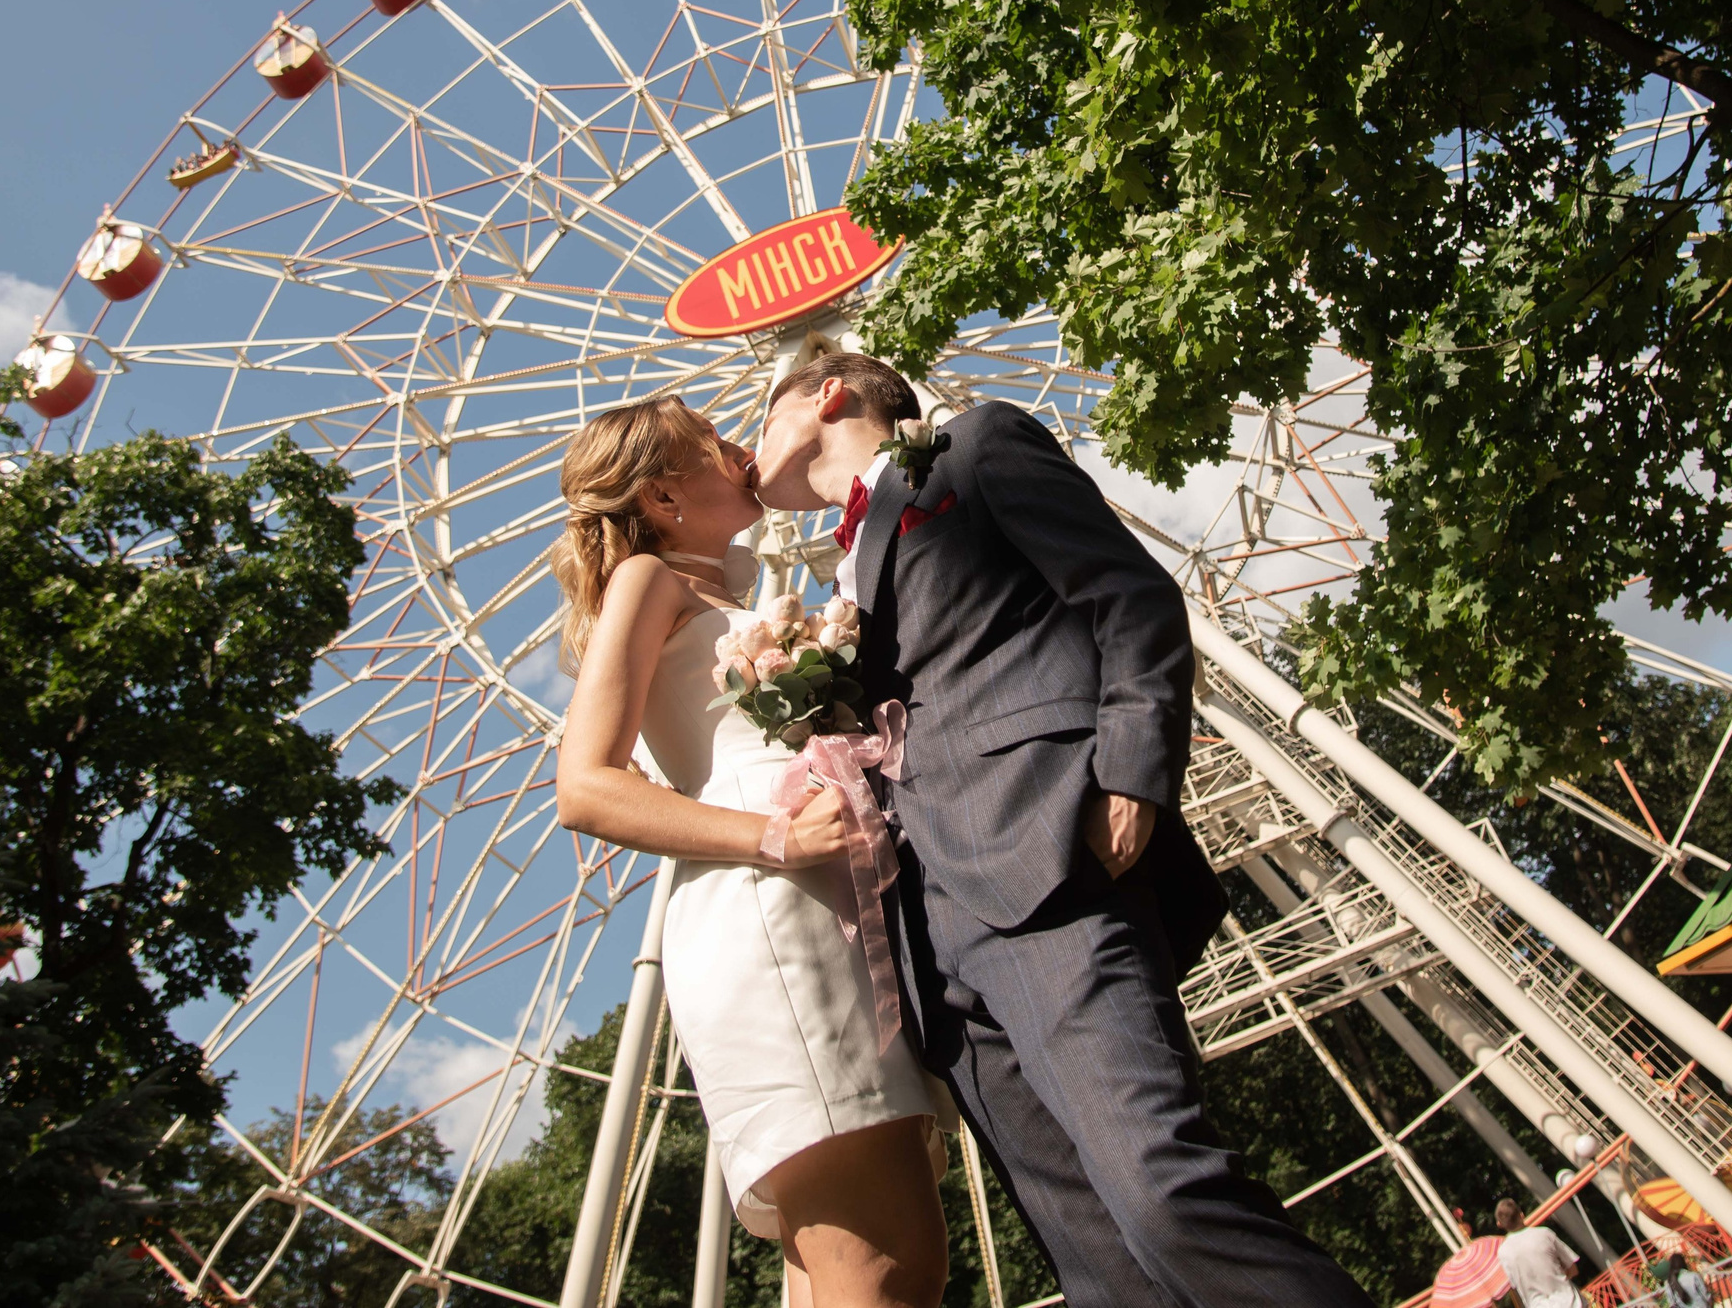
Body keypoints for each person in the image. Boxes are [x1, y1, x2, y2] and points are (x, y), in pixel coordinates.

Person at [756, 352, 1372, 1308]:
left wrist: (1131, 773)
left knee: (1165, 1191)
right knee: (1102, 1270)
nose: (750, 450)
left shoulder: (970, 449)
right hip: (931, 946)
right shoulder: (841, 568)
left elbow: (1132, 598)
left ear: (828, 393)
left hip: (1041, 862)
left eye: (762, 416)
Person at [551, 397, 948, 1308]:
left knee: (854, 1268)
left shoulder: (729, 596)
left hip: (819, 905)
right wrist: (773, 836)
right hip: (773, 912)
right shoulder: (649, 583)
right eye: (712, 443)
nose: (739, 451)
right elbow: (586, 785)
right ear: (661, 493)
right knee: (888, 1269)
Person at [1491, 1200, 1583, 1308]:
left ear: (1499, 1224)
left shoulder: (1503, 1253)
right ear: (1521, 1214)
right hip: (1571, 1302)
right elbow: (1573, 1269)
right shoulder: (1544, 1234)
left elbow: (1515, 1286)